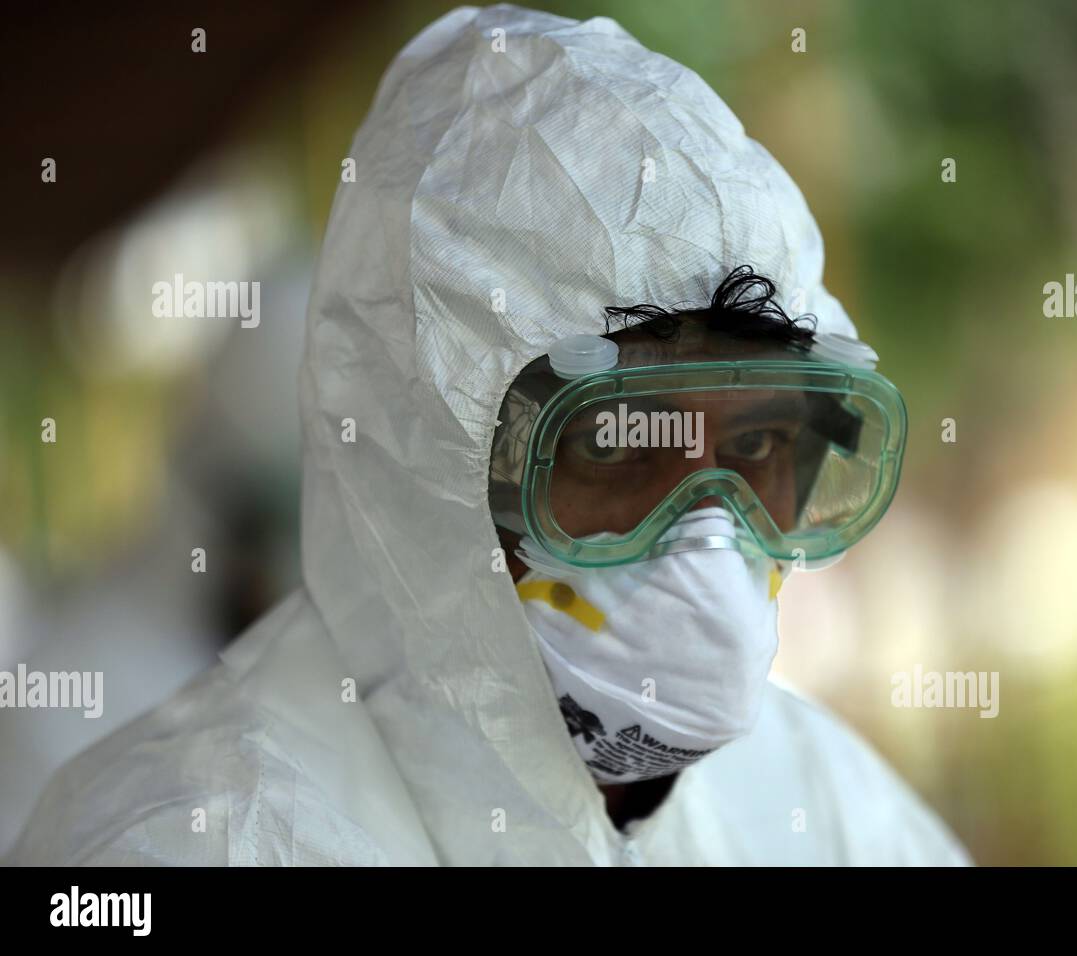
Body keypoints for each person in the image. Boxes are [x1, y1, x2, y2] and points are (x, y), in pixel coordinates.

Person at [8, 5, 970, 865]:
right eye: (617, 443)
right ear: (424, 468)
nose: (709, 541)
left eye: (759, 447)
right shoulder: (192, 839)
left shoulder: (817, 810)